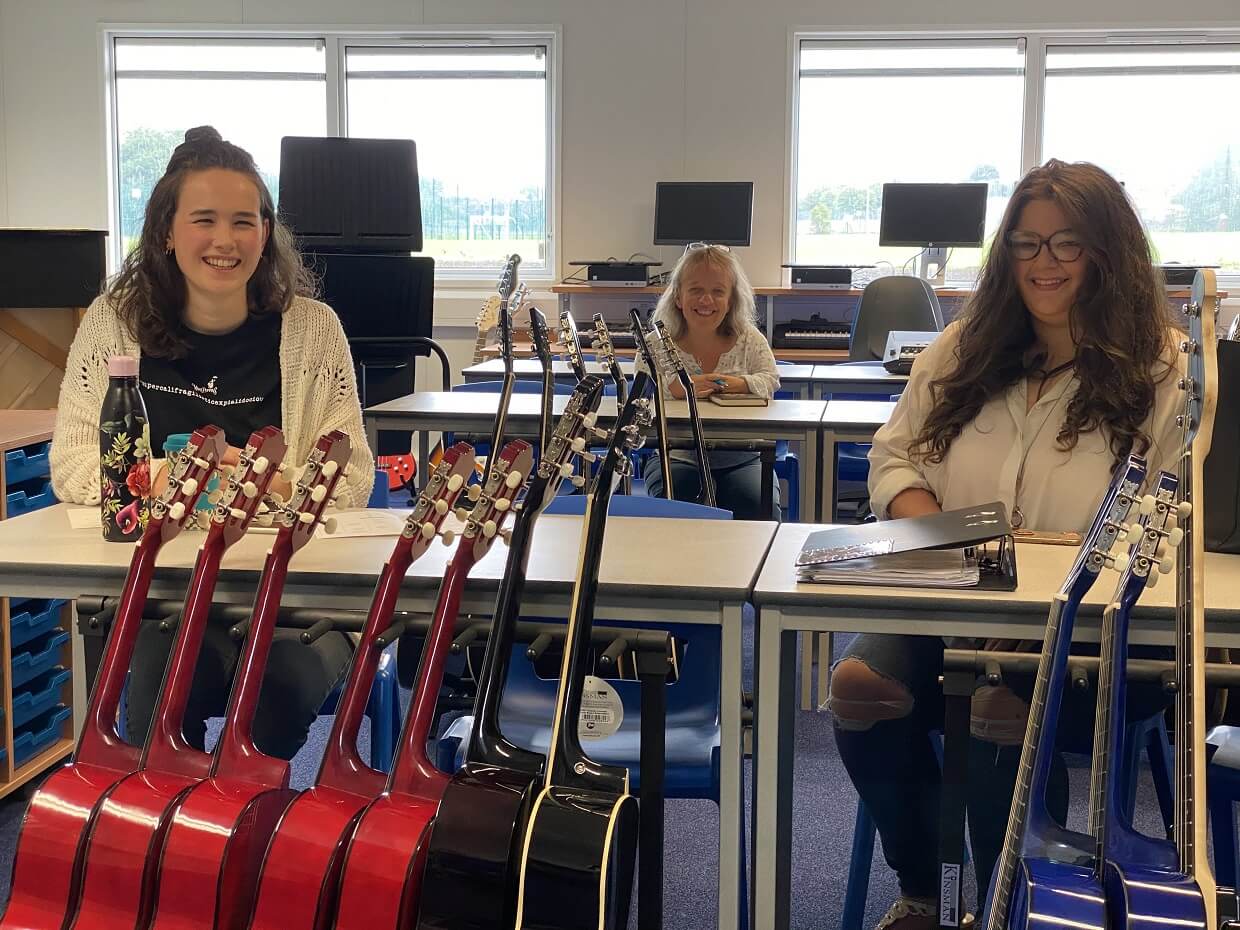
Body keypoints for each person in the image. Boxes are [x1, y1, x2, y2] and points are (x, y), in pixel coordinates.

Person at [828, 159, 1186, 930]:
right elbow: (896, 456)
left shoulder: (1162, 369)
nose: (1043, 264)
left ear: (1107, 252)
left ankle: (1004, 906)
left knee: (998, 705)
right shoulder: (962, 349)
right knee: (859, 686)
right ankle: (922, 887)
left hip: (1087, 622)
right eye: (1025, 244)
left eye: (1066, 244)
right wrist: (940, 534)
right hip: (951, 590)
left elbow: (1166, 509)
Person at [51, 126, 374, 760]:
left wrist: (275, 486)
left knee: (275, 699)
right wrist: (168, 480)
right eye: (204, 220)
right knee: (156, 698)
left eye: (243, 221)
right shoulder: (111, 323)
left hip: (290, 598)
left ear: (265, 232)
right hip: (159, 594)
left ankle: (251, 830)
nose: (225, 241)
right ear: (167, 232)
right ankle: (165, 839)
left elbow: (353, 474)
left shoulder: (313, 330)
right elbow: (74, 464)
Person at [636, 243, 781, 520]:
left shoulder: (749, 338)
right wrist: (672, 389)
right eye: (696, 290)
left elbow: (770, 379)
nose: (706, 301)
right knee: (679, 501)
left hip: (745, 456)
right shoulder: (655, 344)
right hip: (675, 455)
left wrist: (732, 383)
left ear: (730, 301)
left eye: (718, 292)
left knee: (756, 505)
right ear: (678, 297)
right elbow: (640, 399)